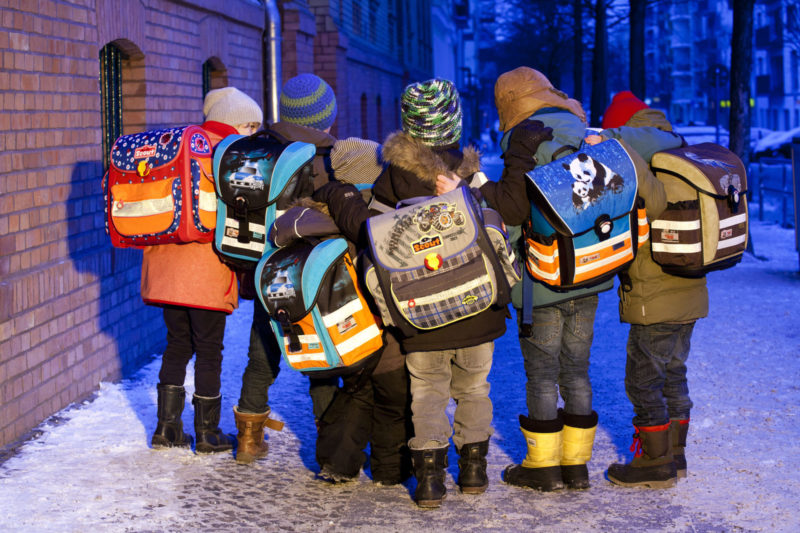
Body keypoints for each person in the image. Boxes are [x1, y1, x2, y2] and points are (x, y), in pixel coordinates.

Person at [437, 67, 679, 491]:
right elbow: (648, 144)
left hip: (541, 281)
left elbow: (513, 211)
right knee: (577, 371)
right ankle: (577, 466)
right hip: (591, 271)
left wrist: (476, 196)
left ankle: (543, 466)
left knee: (542, 374)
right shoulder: (581, 127)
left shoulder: (523, 136)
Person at [316, 78, 506, 508]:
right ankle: (474, 472)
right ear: (454, 121)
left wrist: (340, 195)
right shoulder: (471, 174)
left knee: (427, 392)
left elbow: (372, 236)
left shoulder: (392, 180)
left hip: (419, 312)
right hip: (476, 308)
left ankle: (430, 481)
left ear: (409, 126)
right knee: (475, 389)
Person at [145, 86, 263, 454]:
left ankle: (166, 429)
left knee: (177, 345)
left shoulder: (182, 147)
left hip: (165, 268)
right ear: (234, 123)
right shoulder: (230, 154)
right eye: (250, 125)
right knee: (209, 350)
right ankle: (208, 434)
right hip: (206, 271)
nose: (253, 133)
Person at [600, 91, 708, 488]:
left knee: (643, 378)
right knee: (674, 371)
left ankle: (654, 460)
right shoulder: (678, 147)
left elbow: (654, 206)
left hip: (655, 288)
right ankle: (676, 454)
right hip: (692, 286)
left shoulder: (633, 152)